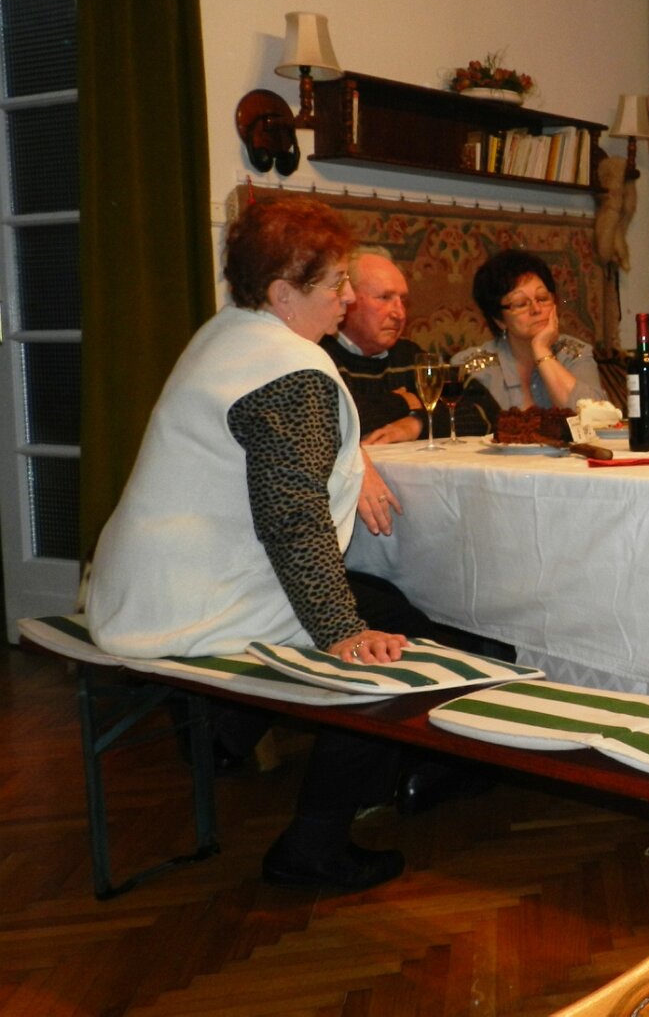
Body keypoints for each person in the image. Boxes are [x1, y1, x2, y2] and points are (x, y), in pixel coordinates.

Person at [85, 197, 459, 893]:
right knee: (398, 645)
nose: (349, 299)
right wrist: (342, 632)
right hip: (195, 601)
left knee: (385, 604)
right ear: (283, 293)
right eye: (337, 285)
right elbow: (293, 519)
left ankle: (230, 734)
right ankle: (314, 845)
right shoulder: (290, 372)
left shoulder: (229, 333)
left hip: (142, 583)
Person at [456, 248, 605, 422]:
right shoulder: (470, 369)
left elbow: (596, 419)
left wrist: (542, 350)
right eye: (520, 304)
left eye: (542, 298)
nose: (536, 309)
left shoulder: (574, 353)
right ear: (499, 320)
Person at [319, 247, 429, 444]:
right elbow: (326, 424)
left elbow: (479, 409)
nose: (400, 314)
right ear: (347, 298)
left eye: (403, 300)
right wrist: (402, 402)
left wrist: (414, 424)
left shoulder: (408, 355)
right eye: (385, 298)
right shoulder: (321, 356)